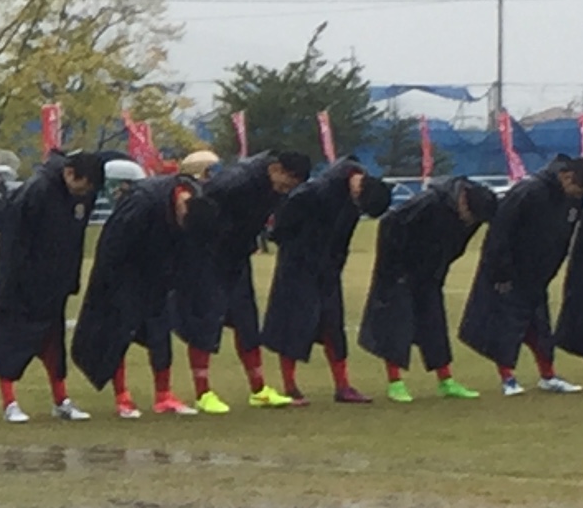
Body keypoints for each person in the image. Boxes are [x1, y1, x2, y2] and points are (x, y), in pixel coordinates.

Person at [0, 149, 109, 421]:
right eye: (81, 186)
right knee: (9, 342)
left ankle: (61, 400)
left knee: (53, 344)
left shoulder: (84, 195)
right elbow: (13, 243)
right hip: (22, 283)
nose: (83, 193)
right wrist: (8, 284)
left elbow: (75, 239)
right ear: (70, 173)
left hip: (55, 283)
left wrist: (70, 279)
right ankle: (9, 403)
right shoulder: (36, 191)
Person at [458, 153, 583, 395]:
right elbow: (499, 232)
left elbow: (563, 238)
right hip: (510, 273)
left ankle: (548, 375)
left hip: (538, 275)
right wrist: (500, 272)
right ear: (566, 176)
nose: (578, 196)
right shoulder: (529, 191)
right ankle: (507, 379)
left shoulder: (575, 201)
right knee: (505, 327)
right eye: (577, 189)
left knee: (540, 329)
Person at [258, 157, 392, 403]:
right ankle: (290, 387)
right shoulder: (313, 192)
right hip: (297, 267)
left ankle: (343, 386)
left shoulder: (353, 197)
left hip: (328, 269)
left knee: (333, 325)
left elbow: (343, 238)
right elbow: (281, 227)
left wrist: (336, 263)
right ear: (358, 188)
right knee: (293, 325)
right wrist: (297, 249)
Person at [71, 169, 200, 417]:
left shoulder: (196, 199)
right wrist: (108, 283)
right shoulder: (142, 201)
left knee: (161, 330)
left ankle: (164, 396)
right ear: (181, 205)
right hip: (123, 274)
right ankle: (122, 397)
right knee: (119, 332)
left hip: (157, 273)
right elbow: (113, 245)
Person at [185, 151, 308, 408]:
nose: (285, 190)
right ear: (276, 168)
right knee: (207, 321)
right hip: (210, 257)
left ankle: (259, 389)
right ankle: (202, 392)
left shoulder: (272, 188)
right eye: (286, 182)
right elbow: (199, 211)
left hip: (237, 257)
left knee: (247, 321)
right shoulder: (234, 182)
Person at [359, 176, 495, 400]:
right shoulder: (427, 203)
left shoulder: (474, 215)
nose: (471, 221)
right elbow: (390, 225)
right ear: (463, 201)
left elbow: (456, 246)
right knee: (395, 326)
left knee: (434, 325)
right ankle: (395, 382)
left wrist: (440, 267)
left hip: (430, 273)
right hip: (400, 273)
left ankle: (446, 380)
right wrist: (392, 269)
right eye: (470, 216)